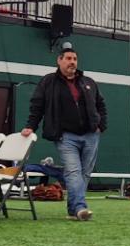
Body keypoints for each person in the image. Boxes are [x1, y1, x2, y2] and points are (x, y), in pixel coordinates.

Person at [21, 46, 106, 221]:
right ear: (59, 60)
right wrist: (31, 126)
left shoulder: (88, 82)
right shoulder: (48, 82)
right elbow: (37, 106)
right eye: (68, 58)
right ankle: (81, 208)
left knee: (85, 173)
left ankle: (73, 210)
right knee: (73, 171)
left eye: (74, 59)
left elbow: (101, 104)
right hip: (65, 136)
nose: (72, 62)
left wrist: (100, 125)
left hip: (91, 134)